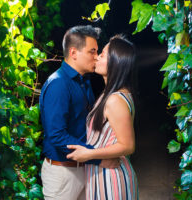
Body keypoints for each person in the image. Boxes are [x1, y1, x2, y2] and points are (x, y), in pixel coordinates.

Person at [39, 25, 119, 200]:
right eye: (92, 51)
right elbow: (57, 135)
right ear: (74, 53)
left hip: (84, 168)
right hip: (62, 174)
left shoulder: (84, 81)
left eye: (97, 51)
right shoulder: (58, 84)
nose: (96, 57)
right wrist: (98, 158)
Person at [67, 34, 139, 200]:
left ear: (116, 62)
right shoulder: (110, 94)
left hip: (112, 179)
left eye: (103, 54)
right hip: (102, 176)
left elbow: (128, 146)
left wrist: (89, 154)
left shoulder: (115, 99)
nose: (97, 57)